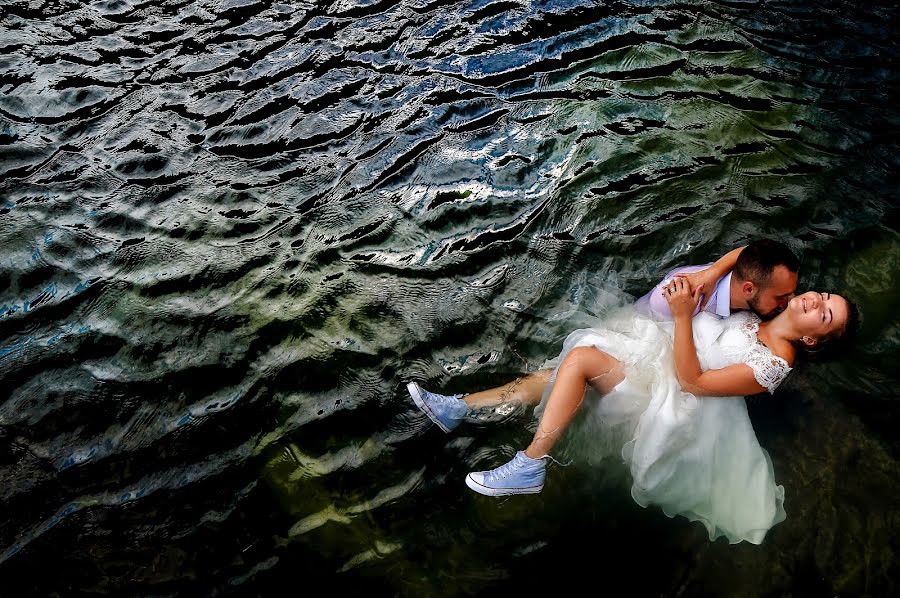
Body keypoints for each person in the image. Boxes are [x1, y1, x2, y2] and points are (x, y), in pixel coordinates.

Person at [407, 258, 856, 544]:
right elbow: (750, 254)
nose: (818, 301)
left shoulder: (775, 363)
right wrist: (709, 273)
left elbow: (695, 381)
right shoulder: (771, 307)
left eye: (827, 313)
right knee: (560, 374)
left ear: (815, 340)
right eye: (825, 295)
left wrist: (682, 314)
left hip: (674, 402)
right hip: (659, 357)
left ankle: (530, 463)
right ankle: (460, 407)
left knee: (581, 360)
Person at [637, 238, 800, 321]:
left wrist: (713, 272)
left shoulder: (752, 270)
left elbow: (750, 249)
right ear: (748, 289)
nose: (787, 303)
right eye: (780, 297)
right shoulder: (673, 300)